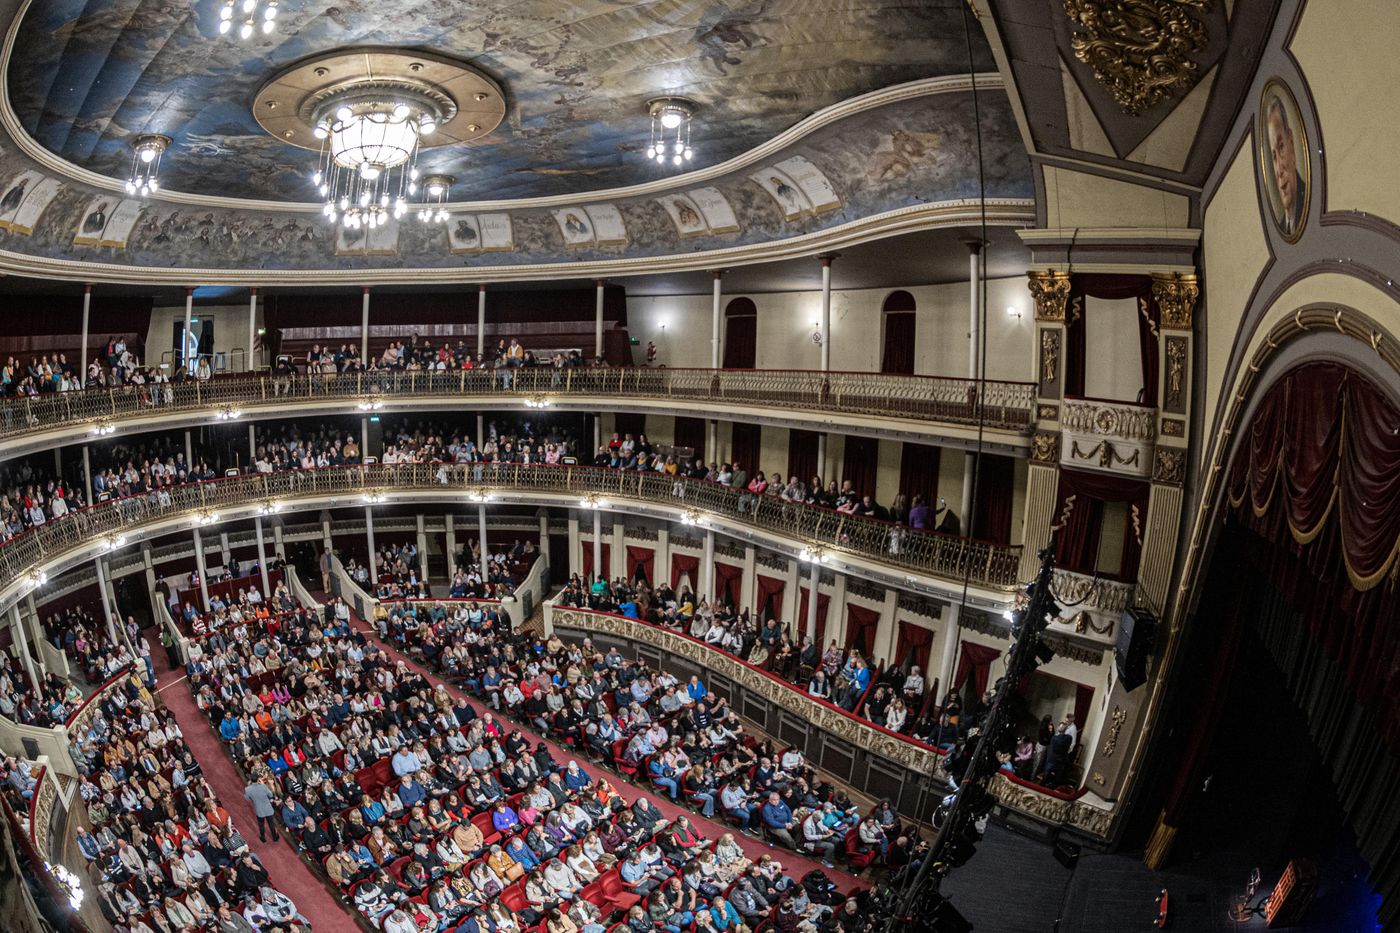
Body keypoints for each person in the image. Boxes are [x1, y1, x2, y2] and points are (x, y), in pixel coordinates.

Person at [1266, 94, 1306, 237]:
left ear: (1291, 143)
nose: (1279, 170)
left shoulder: (1308, 204)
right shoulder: (1282, 228)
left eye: (1281, 147)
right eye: (1274, 156)